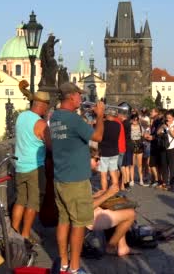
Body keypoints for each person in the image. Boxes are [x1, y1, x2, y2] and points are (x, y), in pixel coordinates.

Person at [49, 83, 105, 274]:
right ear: (71, 97)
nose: (81, 99)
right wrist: (100, 115)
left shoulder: (55, 117)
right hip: (77, 180)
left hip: (60, 178)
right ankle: (74, 268)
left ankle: (64, 262)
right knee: (79, 224)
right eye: (79, 95)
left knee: (63, 221)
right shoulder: (73, 119)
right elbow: (97, 136)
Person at [11, 91, 51, 244]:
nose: (46, 110)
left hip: (20, 165)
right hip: (35, 167)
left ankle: (14, 233)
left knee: (20, 200)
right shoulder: (40, 124)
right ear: (42, 105)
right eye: (46, 106)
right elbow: (50, 146)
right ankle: (25, 235)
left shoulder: (21, 117)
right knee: (33, 203)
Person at [88, 155, 138, 257]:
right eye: (96, 159)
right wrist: (108, 194)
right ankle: (111, 246)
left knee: (122, 208)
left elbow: (81, 201)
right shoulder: (81, 178)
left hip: (81, 214)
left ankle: (122, 247)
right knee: (130, 214)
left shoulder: (78, 175)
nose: (98, 163)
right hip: (84, 219)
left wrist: (96, 195)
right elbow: (84, 208)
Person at [98, 109, 122, 191]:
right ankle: (114, 191)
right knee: (113, 172)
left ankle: (104, 193)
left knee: (103, 174)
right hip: (114, 151)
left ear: (107, 115)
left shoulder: (103, 124)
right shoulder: (118, 125)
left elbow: (98, 137)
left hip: (104, 152)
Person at [157, 109, 174, 191]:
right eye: (167, 117)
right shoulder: (164, 124)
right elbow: (158, 132)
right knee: (164, 165)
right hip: (164, 147)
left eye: (169, 118)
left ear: (173, 118)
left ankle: (171, 183)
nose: (168, 119)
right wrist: (162, 127)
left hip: (173, 147)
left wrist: (168, 128)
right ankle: (165, 182)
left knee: (171, 166)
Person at [145, 108, 162, 187]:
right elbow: (154, 132)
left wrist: (153, 137)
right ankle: (155, 179)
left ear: (156, 113)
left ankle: (157, 180)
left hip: (157, 145)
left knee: (153, 164)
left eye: (152, 111)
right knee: (152, 164)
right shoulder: (154, 121)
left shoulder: (158, 121)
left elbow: (159, 133)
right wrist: (149, 135)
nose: (150, 113)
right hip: (153, 144)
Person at [126, 113, 145, 186]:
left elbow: (143, 135)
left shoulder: (140, 127)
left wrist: (144, 138)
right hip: (132, 145)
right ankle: (132, 180)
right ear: (131, 120)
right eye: (134, 119)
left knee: (140, 164)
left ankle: (141, 180)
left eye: (137, 120)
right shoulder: (129, 127)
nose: (135, 121)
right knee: (132, 164)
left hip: (139, 145)